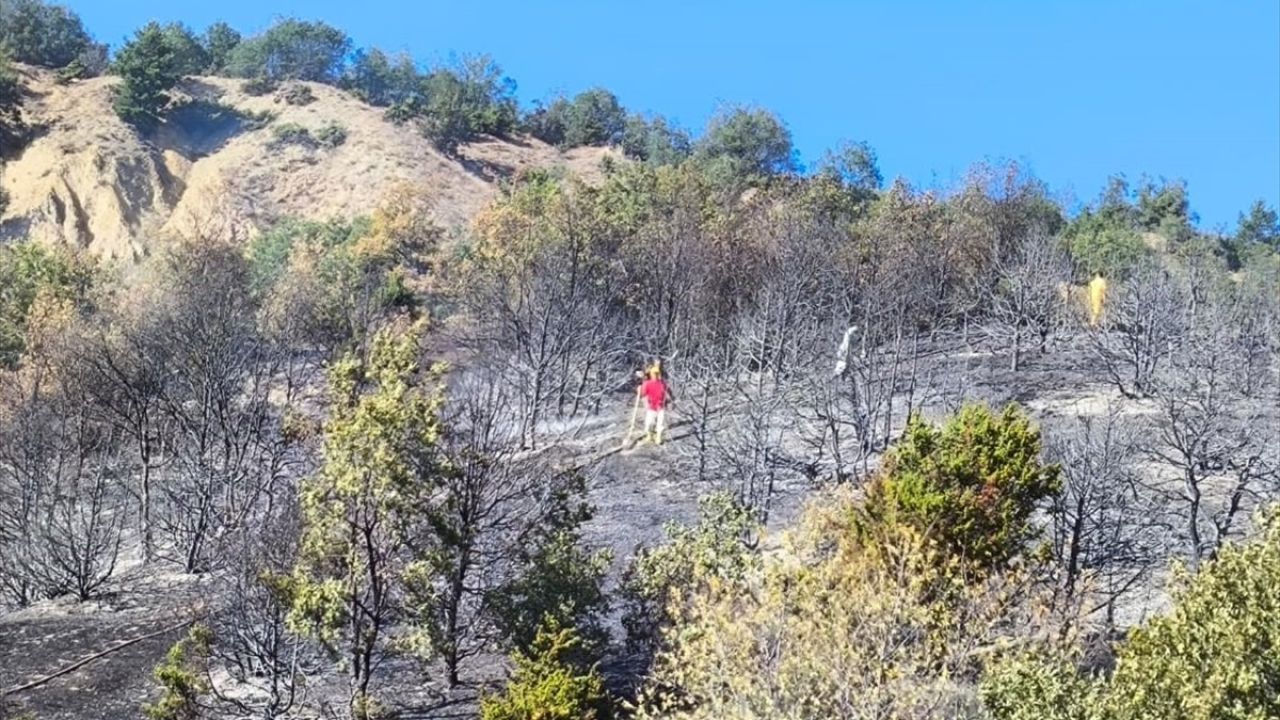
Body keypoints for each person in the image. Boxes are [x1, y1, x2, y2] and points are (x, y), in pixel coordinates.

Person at [638, 362, 669, 445]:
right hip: (651, 406)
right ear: (651, 374)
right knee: (648, 423)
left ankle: (658, 437)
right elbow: (643, 394)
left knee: (660, 423)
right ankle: (649, 435)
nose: (655, 375)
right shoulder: (647, 383)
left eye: (657, 373)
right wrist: (640, 391)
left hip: (660, 406)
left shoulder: (662, 384)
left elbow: (666, 393)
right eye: (654, 373)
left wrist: (668, 401)